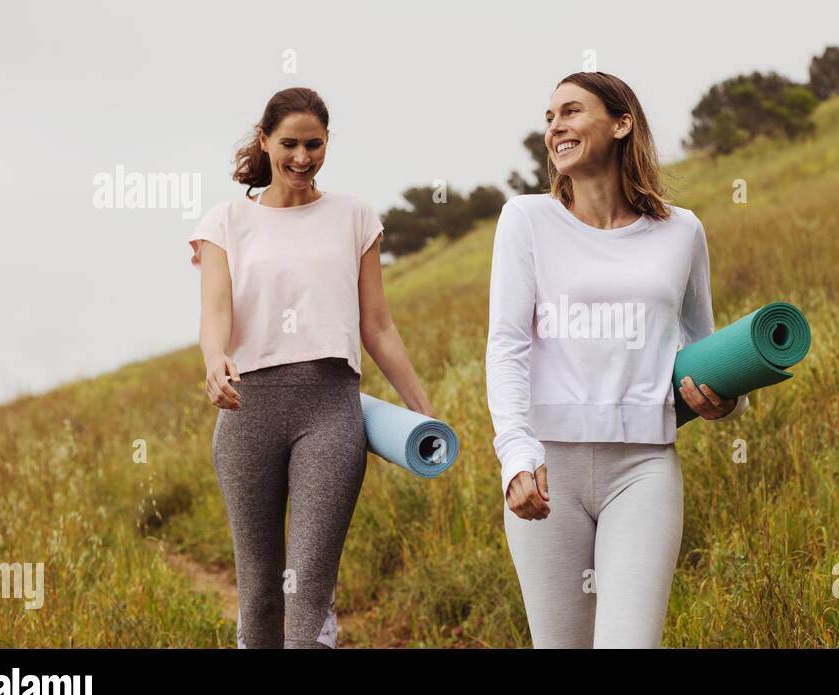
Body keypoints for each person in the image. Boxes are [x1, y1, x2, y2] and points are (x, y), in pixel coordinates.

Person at [486, 72, 748, 649]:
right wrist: (516, 456)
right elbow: (506, 346)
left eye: (572, 112)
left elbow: (705, 349)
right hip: (549, 469)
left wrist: (726, 400)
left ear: (622, 123)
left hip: (645, 468)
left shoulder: (681, 231)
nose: (556, 126)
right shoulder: (525, 220)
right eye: (550, 116)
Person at [187, 87, 432, 648]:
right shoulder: (227, 220)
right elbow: (215, 310)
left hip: (330, 410)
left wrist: (420, 406)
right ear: (265, 141)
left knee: (309, 588)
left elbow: (378, 326)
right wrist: (214, 358)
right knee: (260, 590)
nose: (302, 157)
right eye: (290, 144)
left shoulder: (354, 216)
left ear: (328, 143)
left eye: (314, 144)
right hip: (250, 412)